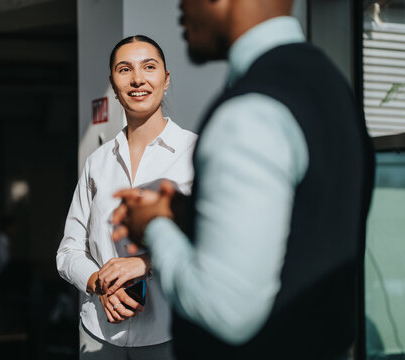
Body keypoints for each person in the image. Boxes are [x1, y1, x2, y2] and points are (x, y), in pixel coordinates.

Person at [110, 1, 375, 359]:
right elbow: (307, 228)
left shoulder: (248, 112)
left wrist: (154, 226)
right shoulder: (330, 83)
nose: (180, 8)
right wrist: (188, 216)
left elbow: (227, 310)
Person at [56, 35, 197, 360]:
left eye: (149, 67)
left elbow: (214, 242)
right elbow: (69, 250)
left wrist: (145, 263)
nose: (137, 79)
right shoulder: (97, 162)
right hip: (98, 336)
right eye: (124, 69)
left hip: (172, 334)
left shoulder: (195, 153)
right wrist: (97, 281)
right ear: (113, 83)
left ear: (166, 78)